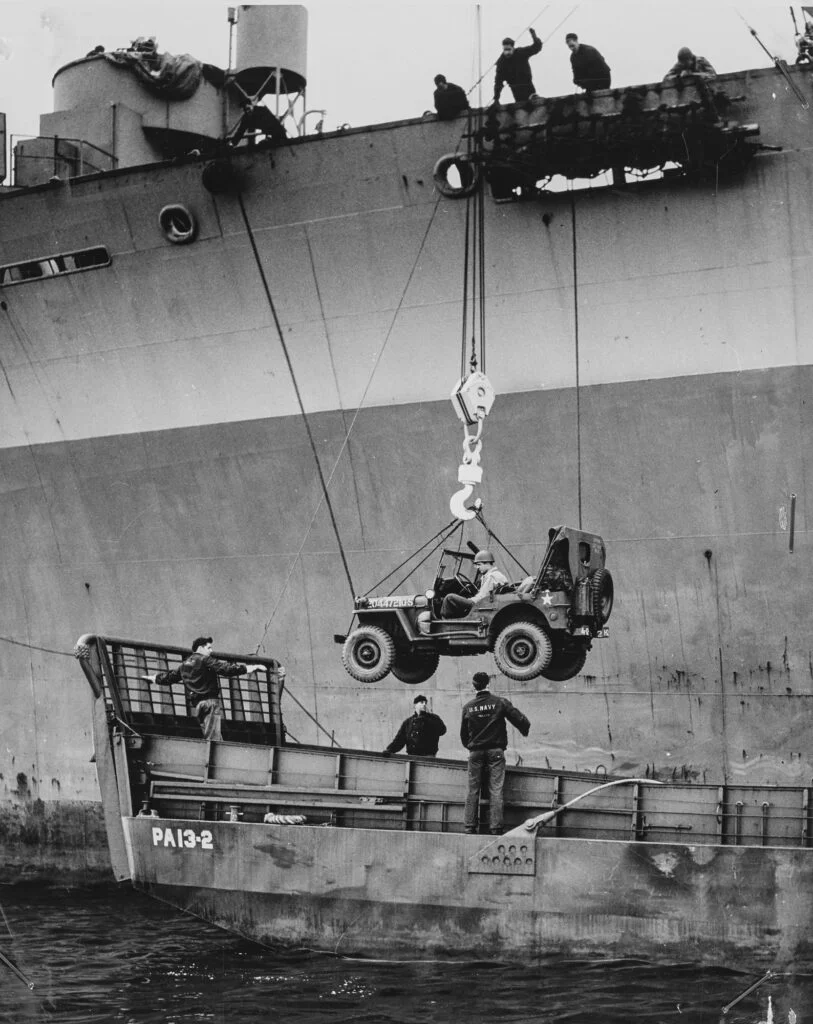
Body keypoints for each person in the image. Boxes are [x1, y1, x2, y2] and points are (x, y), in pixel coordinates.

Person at [143, 636, 262, 741]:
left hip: (198, 705)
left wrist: (153, 678)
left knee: (209, 734)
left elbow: (169, 677)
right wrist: (250, 668)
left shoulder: (184, 665)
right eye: (209, 648)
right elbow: (225, 669)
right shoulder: (205, 659)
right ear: (200, 648)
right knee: (213, 738)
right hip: (211, 703)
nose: (211, 650)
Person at [460, 671, 530, 834]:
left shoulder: (468, 707)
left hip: (475, 753)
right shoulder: (500, 702)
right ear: (488, 684)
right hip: (495, 752)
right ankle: (496, 827)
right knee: (496, 789)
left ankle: (470, 826)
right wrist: (525, 729)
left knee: (472, 790)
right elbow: (520, 719)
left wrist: (471, 748)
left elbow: (463, 735)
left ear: (473, 686)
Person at [440, 550, 509, 619]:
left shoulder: (492, 576)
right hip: (484, 602)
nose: (478, 568)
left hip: (480, 603)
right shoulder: (494, 575)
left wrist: (470, 600)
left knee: (449, 598)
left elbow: (483, 596)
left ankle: (445, 622)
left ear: (487, 563)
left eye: (479, 565)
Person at [382, 694, 447, 756]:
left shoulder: (433, 718)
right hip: (412, 756)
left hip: (428, 757)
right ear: (415, 705)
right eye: (421, 702)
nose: (424, 704)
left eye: (425, 703)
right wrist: (390, 750)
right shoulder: (408, 722)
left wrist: (427, 717)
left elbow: (442, 730)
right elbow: (399, 739)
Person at [493, 29, 543, 104]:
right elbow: (498, 82)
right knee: (521, 105)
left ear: (513, 48)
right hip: (516, 90)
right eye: (505, 50)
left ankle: (533, 97)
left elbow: (536, 47)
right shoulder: (501, 63)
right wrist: (496, 99)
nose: (507, 52)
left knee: (534, 102)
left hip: (528, 85)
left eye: (509, 49)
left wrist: (534, 36)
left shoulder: (520, 53)